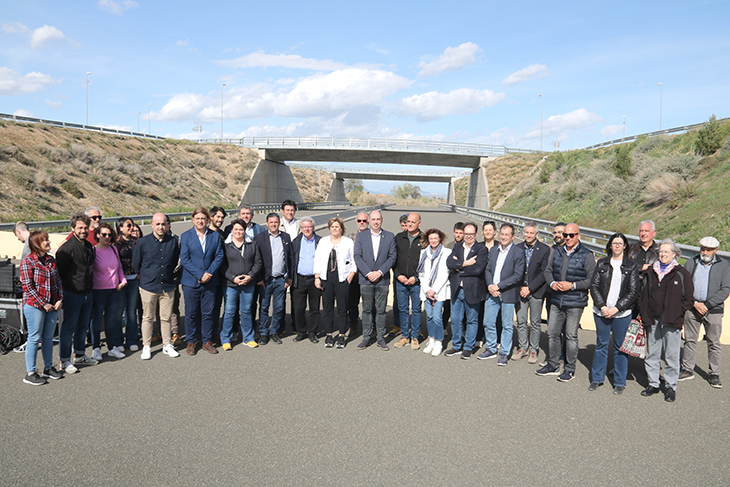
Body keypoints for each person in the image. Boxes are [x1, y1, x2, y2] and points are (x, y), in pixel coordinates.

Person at [536, 223, 595, 382]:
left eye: (572, 235)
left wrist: (573, 285)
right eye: (566, 235)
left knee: (570, 336)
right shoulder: (556, 251)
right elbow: (548, 271)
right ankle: (553, 364)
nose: (568, 238)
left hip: (575, 302)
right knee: (553, 333)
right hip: (556, 299)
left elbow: (591, 280)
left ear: (578, 235)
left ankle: (570, 369)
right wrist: (552, 283)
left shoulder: (586, 254)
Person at [638, 239, 693, 402]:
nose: (662, 254)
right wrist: (643, 309)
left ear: (674, 254)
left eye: (666, 252)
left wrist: (678, 313)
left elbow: (689, 298)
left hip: (672, 321)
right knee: (652, 354)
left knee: (671, 356)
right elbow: (641, 294)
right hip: (652, 320)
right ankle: (653, 384)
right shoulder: (650, 272)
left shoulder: (682, 273)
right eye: (660, 251)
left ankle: (670, 386)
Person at [588, 233, 640, 395]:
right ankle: (597, 378)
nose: (617, 246)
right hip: (601, 312)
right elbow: (594, 286)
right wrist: (602, 306)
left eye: (620, 243)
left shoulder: (631, 266)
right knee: (601, 345)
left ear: (625, 246)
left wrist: (617, 308)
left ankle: (619, 381)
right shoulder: (602, 263)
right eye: (614, 243)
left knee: (620, 348)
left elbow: (633, 291)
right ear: (610, 246)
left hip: (621, 314)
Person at [680, 236, 730, 388]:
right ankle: (687, 369)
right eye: (703, 248)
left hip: (713, 309)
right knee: (690, 339)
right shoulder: (691, 262)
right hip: (693, 307)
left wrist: (707, 305)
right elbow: (683, 285)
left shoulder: (724, 265)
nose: (705, 252)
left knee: (713, 341)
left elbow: (725, 289)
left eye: (708, 250)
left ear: (716, 250)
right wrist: (695, 303)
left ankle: (714, 373)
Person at [131, 213, 180, 360]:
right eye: (157, 224)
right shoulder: (142, 242)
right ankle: (146, 347)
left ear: (167, 225)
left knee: (165, 318)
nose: (161, 227)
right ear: (152, 225)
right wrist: (146, 276)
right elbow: (135, 264)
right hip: (148, 286)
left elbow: (175, 261)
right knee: (147, 317)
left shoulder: (173, 242)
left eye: (163, 224)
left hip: (168, 285)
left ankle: (167, 345)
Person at [20, 231, 64, 385]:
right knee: (34, 337)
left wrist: (59, 299)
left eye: (47, 239)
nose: (48, 242)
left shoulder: (51, 260)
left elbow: (58, 281)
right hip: (35, 306)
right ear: (36, 244)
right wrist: (42, 303)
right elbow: (28, 287)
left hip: (52, 305)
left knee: (48, 337)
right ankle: (30, 373)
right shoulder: (27, 262)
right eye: (45, 240)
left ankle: (48, 368)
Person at [478, 223, 525, 365]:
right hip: (492, 293)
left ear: (513, 236)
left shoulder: (518, 252)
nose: (503, 237)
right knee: (488, 322)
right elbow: (488, 270)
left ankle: (504, 352)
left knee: (507, 325)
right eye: (502, 234)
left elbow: (518, 275)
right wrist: (490, 286)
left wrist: (499, 286)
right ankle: (491, 348)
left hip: (508, 293)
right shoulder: (493, 250)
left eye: (507, 235)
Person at [180, 207, 225, 355]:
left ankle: (206, 341)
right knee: (191, 312)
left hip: (210, 281)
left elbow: (219, 256)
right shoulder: (186, 236)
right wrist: (200, 275)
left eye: (203, 218)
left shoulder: (215, 236)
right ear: (193, 220)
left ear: (208, 220)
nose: (200, 221)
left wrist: (208, 273)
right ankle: (191, 341)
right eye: (197, 218)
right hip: (191, 281)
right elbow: (185, 259)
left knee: (208, 313)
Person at [56, 213, 97, 373]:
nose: (83, 230)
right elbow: (59, 274)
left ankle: (79, 355)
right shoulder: (66, 249)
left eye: (86, 227)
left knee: (82, 326)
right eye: (80, 227)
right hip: (72, 294)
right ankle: (64, 360)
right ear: (72, 228)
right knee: (68, 328)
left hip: (88, 292)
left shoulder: (88, 246)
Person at [353, 210, 396, 351]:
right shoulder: (361, 236)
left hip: (382, 280)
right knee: (366, 310)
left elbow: (392, 257)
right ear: (369, 221)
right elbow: (357, 256)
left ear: (382, 220)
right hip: (366, 280)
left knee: (381, 310)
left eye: (378, 219)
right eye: (373, 219)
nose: (376, 222)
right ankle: (366, 337)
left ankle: (380, 338)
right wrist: (368, 273)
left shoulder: (389, 236)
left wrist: (379, 272)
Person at [444, 222, 488, 359]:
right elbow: (449, 263)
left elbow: (478, 269)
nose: (468, 237)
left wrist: (459, 268)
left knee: (472, 320)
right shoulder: (457, 246)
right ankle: (456, 346)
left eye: (471, 234)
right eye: (466, 234)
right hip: (457, 289)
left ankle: (468, 347)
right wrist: (465, 264)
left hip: (472, 290)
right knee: (456, 319)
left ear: (476, 235)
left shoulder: (481, 249)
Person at [315, 218, 356, 348]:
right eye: (332, 226)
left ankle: (342, 335)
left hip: (342, 278)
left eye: (337, 226)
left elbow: (354, 260)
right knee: (327, 308)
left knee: (342, 308)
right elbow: (317, 259)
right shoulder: (323, 241)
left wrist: (351, 275)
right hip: (326, 278)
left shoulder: (348, 242)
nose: (334, 229)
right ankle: (328, 335)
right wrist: (317, 277)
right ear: (329, 228)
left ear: (341, 228)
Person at [221, 219, 262, 350]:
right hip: (230, 284)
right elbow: (222, 265)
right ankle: (226, 338)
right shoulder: (225, 245)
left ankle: (248, 338)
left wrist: (250, 276)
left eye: (241, 230)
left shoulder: (252, 243)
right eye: (236, 229)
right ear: (232, 230)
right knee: (229, 311)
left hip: (248, 283)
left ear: (245, 231)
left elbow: (258, 263)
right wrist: (233, 278)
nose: (238, 232)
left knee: (246, 311)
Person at [514, 222, 550, 363]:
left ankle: (533, 350)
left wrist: (530, 287)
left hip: (536, 291)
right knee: (521, 321)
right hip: (520, 291)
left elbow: (544, 272)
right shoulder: (517, 248)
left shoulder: (544, 249)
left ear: (536, 234)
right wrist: (522, 286)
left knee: (535, 322)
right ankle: (523, 348)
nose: (528, 235)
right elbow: (514, 269)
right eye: (526, 232)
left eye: (531, 233)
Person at [254, 213, 293, 345]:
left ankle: (274, 331)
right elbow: (256, 260)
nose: (273, 224)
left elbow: (290, 259)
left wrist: (290, 277)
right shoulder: (259, 238)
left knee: (278, 307)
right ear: (267, 223)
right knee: (264, 307)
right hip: (265, 280)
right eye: (271, 222)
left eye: (276, 222)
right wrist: (259, 278)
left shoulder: (285, 237)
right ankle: (263, 332)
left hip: (281, 279)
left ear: (279, 223)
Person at [90, 223, 127, 361]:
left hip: (114, 290)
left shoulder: (113, 249)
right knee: (97, 320)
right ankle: (96, 349)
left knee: (110, 320)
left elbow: (119, 268)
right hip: (98, 291)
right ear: (98, 235)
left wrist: (122, 280)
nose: (106, 237)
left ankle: (112, 348)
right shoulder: (93, 251)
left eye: (109, 235)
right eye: (103, 234)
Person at [417, 228, 451, 357]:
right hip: (426, 290)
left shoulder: (446, 252)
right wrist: (427, 289)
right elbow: (421, 273)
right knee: (429, 317)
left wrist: (434, 290)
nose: (433, 241)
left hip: (439, 291)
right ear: (427, 240)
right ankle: (431, 339)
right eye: (431, 238)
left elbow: (445, 273)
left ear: (440, 239)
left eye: (436, 238)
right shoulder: (423, 253)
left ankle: (439, 341)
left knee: (437, 317)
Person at [393, 213, 424, 350]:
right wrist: (398, 275)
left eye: (413, 222)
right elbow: (393, 258)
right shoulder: (399, 238)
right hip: (401, 281)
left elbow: (426, 263)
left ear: (419, 223)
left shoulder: (424, 239)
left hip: (416, 282)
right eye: (408, 222)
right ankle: (405, 336)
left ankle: (415, 336)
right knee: (403, 309)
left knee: (416, 310)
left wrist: (415, 277)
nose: (410, 224)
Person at [291, 217, 321, 344]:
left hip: (315, 279)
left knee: (314, 308)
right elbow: (291, 261)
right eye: (304, 227)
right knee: (298, 308)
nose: (307, 229)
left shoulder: (320, 241)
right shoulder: (296, 242)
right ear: (301, 229)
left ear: (313, 227)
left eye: (309, 226)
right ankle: (301, 331)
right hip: (300, 279)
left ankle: (312, 332)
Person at [114, 218, 140, 351]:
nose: (131, 228)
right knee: (118, 312)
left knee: (131, 311)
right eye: (128, 225)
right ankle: (118, 341)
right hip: (119, 282)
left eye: (132, 225)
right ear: (120, 228)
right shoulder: (115, 243)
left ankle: (132, 340)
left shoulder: (137, 242)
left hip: (134, 279)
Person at [347, 212, 369, 334]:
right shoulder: (350, 237)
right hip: (354, 275)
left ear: (368, 222)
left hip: (368, 276)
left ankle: (370, 326)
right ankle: (353, 324)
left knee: (369, 303)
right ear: (356, 222)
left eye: (364, 221)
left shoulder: (373, 236)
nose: (362, 223)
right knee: (352, 302)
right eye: (359, 221)